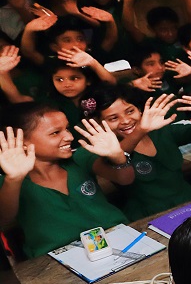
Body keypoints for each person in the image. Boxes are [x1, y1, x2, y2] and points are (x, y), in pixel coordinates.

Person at [0, 105, 134, 258]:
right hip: (55, 258)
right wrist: (14, 180)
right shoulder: (10, 182)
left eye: (67, 129)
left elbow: (125, 178)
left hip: (116, 238)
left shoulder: (79, 157)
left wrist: (118, 156)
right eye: (55, 133)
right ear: (22, 141)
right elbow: (4, 219)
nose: (69, 137)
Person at [95, 88, 191, 219]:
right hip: (149, 215)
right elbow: (117, 157)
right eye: (113, 118)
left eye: (130, 111)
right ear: (100, 124)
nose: (126, 120)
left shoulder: (161, 132)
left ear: (140, 110)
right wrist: (140, 130)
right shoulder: (107, 149)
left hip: (189, 200)